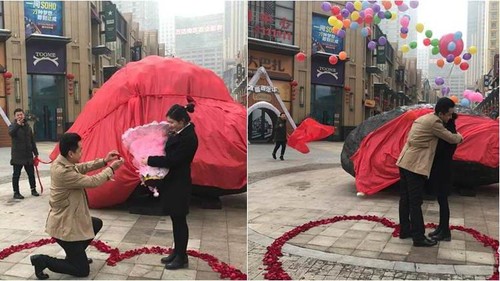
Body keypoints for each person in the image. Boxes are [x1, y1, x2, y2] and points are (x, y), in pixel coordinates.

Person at [30, 133, 124, 280]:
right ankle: (42, 261)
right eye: (80, 149)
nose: (82, 152)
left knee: (95, 224)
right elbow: (93, 181)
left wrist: (104, 161)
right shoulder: (62, 171)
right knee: (81, 270)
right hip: (64, 227)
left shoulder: (63, 162)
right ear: (70, 153)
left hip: (71, 219)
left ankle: (75, 255)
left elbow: (82, 167)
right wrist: (112, 169)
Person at [396, 97, 463, 247]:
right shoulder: (435, 123)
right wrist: (460, 137)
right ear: (441, 113)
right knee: (415, 202)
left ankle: (405, 230)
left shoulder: (424, 118)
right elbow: (452, 138)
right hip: (415, 165)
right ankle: (418, 237)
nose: (450, 117)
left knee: (405, 199)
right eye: (449, 114)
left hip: (404, 161)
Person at [142, 102, 198, 270]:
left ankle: (182, 257)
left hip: (179, 183)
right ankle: (177, 252)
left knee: (180, 220)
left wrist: (150, 160)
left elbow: (173, 160)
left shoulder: (189, 137)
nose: (170, 125)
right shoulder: (178, 132)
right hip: (172, 181)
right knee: (175, 219)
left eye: (172, 122)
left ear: (182, 121)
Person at [427, 113, 459, 242]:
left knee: (443, 200)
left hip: (443, 170)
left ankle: (445, 231)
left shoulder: (449, 135)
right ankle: (441, 228)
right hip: (442, 169)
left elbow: (442, 151)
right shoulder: (450, 133)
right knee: (441, 200)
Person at [8, 108, 39, 199]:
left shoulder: (27, 127)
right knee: (16, 175)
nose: (20, 116)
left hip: (28, 155)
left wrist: (35, 152)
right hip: (17, 155)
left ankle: (33, 189)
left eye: (21, 114)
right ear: (15, 117)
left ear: (23, 115)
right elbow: (11, 133)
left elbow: (32, 140)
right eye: (18, 115)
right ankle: (16, 192)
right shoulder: (12, 126)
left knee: (31, 174)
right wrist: (17, 125)